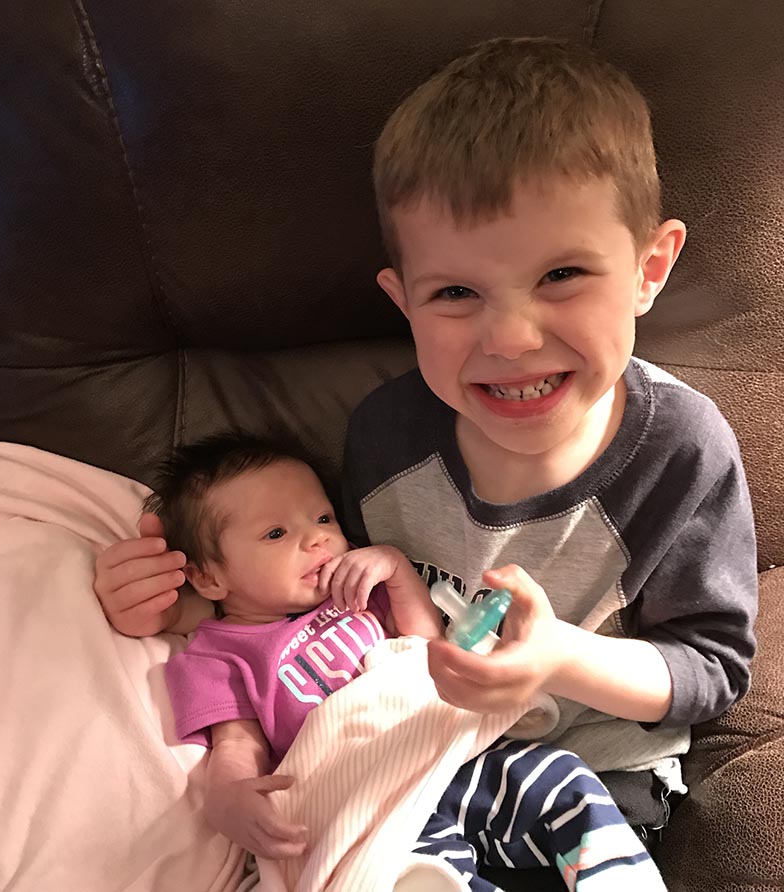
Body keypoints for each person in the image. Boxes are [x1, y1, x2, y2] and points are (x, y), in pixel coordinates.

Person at [93, 36, 758, 883]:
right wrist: (169, 599)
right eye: (455, 293)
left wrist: (557, 658)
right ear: (402, 301)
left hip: (597, 779)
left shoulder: (681, 451)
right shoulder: (387, 435)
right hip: (415, 769)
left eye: (561, 274)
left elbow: (712, 670)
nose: (512, 339)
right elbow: (319, 600)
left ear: (648, 269)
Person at [133, 430, 667, 891]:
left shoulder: (356, 590)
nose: (317, 537)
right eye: (277, 533)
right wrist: (227, 797)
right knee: (421, 879)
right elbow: (236, 741)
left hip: (450, 755)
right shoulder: (218, 651)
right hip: (368, 802)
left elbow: (425, 649)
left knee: (561, 781)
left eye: (322, 517)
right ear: (209, 578)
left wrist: (394, 568)